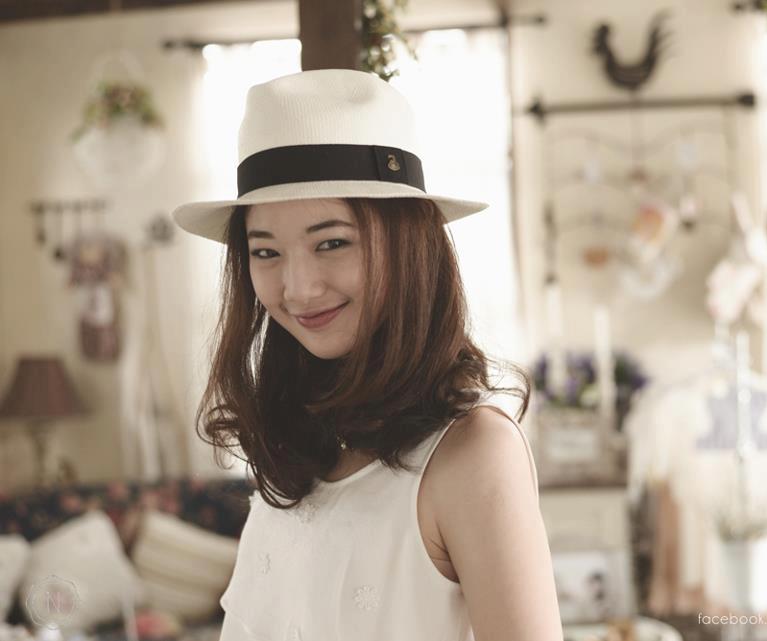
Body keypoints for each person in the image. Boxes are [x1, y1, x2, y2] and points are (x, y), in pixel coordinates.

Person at [171, 69, 563, 641]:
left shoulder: (472, 451)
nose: (298, 288)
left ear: (408, 246)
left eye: (332, 242)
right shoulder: (300, 437)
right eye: (266, 252)